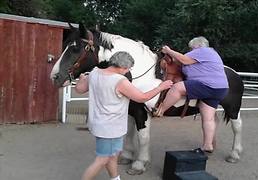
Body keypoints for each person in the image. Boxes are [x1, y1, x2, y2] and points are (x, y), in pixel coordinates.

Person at [75, 51, 173, 180]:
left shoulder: (94, 73)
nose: (127, 71)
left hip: (100, 124)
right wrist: (161, 87)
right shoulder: (120, 81)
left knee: (113, 156)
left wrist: (81, 79)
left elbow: (79, 89)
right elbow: (142, 97)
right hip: (110, 128)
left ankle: (115, 178)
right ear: (122, 67)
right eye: (127, 69)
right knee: (102, 159)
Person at [154, 36, 229, 153]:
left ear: (198, 46)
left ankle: (160, 110)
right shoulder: (211, 54)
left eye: (191, 48)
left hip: (207, 85)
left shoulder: (203, 51)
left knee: (177, 88)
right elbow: (182, 62)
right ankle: (208, 145)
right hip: (220, 89)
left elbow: (184, 60)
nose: (190, 51)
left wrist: (168, 51)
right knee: (208, 119)